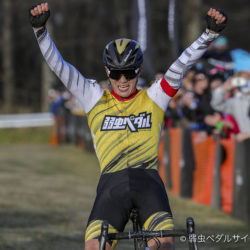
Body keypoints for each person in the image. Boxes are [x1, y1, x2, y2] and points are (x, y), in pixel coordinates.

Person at [29, 3, 227, 249]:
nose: (123, 81)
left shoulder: (155, 96)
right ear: (107, 71)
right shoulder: (93, 97)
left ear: (139, 70)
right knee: (93, 246)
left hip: (148, 183)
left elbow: (181, 64)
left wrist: (209, 36)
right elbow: (60, 66)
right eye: (116, 74)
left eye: (129, 74)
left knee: (165, 244)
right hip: (112, 185)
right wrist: (41, 32)